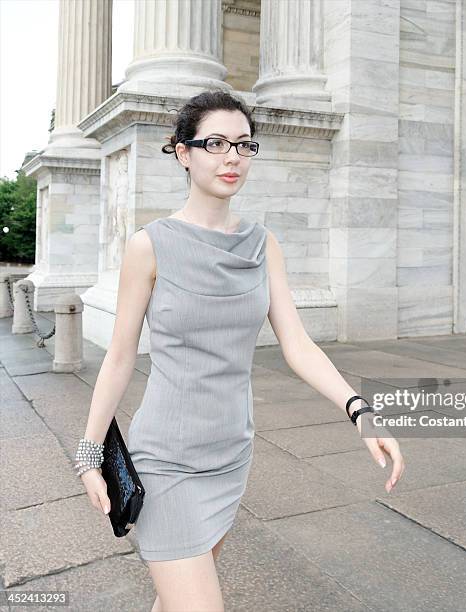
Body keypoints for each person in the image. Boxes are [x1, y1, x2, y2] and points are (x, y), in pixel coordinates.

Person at [75, 89, 405, 612]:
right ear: (183, 152)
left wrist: (360, 411)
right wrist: (90, 454)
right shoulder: (150, 245)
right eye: (215, 143)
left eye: (244, 145)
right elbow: (119, 356)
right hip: (168, 459)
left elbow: (297, 344)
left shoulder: (262, 243)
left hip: (231, 453)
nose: (232, 156)